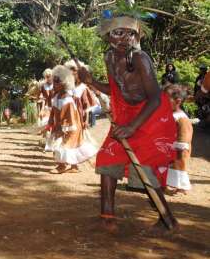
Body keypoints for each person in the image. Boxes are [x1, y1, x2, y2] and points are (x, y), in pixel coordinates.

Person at [78, 12, 179, 231]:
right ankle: (107, 216)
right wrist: (91, 81)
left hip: (151, 116)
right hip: (126, 114)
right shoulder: (109, 58)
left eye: (130, 33)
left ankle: (167, 219)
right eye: (118, 32)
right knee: (107, 160)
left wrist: (133, 127)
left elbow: (154, 98)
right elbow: (115, 89)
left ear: (137, 36)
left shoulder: (140, 59)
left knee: (144, 168)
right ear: (108, 36)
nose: (125, 38)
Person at [42, 65, 97, 174]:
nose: (54, 85)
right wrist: (50, 121)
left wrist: (65, 128)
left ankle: (62, 166)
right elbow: (53, 110)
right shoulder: (57, 96)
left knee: (65, 145)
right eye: (54, 82)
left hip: (70, 127)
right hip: (61, 126)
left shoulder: (67, 99)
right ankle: (72, 167)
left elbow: (71, 115)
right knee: (67, 146)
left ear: (64, 83)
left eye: (57, 82)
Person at [164, 84, 192, 195]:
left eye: (166, 100)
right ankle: (174, 184)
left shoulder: (181, 118)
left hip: (180, 150)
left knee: (180, 167)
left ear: (178, 101)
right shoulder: (171, 114)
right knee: (172, 167)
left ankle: (182, 186)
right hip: (171, 148)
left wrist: (180, 148)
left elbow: (184, 136)